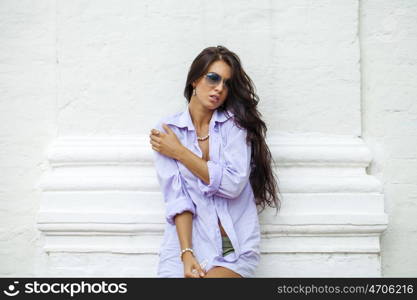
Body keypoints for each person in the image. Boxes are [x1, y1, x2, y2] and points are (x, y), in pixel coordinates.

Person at [149, 45, 281, 278]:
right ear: (194, 80)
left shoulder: (235, 127)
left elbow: (232, 184)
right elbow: (178, 199)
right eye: (213, 78)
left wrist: (180, 152)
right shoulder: (168, 132)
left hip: (234, 246)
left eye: (227, 83)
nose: (219, 88)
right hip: (186, 244)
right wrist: (187, 253)